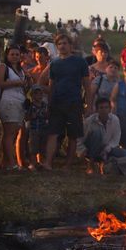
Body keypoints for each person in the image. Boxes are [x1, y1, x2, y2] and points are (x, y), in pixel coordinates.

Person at [43, 33, 90, 171]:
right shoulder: (54, 64)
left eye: (65, 43)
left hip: (74, 102)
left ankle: (68, 166)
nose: (62, 46)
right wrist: (49, 104)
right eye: (59, 44)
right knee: (53, 133)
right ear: (57, 47)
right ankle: (48, 163)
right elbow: (51, 86)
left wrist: (89, 104)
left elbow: (87, 85)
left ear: (70, 45)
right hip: (57, 102)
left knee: (73, 135)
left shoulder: (80, 62)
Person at [0, 44, 30, 169]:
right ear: (7, 55)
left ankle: (5, 162)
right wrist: (16, 82)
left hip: (20, 101)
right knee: (9, 132)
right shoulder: (3, 67)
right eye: (12, 54)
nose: (15, 57)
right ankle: (11, 162)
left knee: (14, 132)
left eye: (17, 54)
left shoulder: (21, 70)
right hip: (8, 100)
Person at [79, 97, 126, 175]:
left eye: (106, 107)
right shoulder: (90, 121)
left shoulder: (115, 119)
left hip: (106, 147)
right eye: (101, 108)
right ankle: (91, 165)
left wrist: (106, 150)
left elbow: (116, 139)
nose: (104, 110)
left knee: (124, 154)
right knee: (97, 133)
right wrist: (82, 150)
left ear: (109, 109)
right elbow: (80, 138)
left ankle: (106, 165)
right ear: (97, 109)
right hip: (91, 147)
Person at [25, 84, 50, 170]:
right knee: (33, 148)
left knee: (43, 147)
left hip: (43, 128)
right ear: (32, 95)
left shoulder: (44, 105)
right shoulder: (31, 106)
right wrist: (32, 116)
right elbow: (26, 117)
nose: (39, 96)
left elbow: (48, 115)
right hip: (34, 129)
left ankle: (42, 163)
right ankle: (33, 163)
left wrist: (47, 115)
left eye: (40, 94)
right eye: (36, 94)